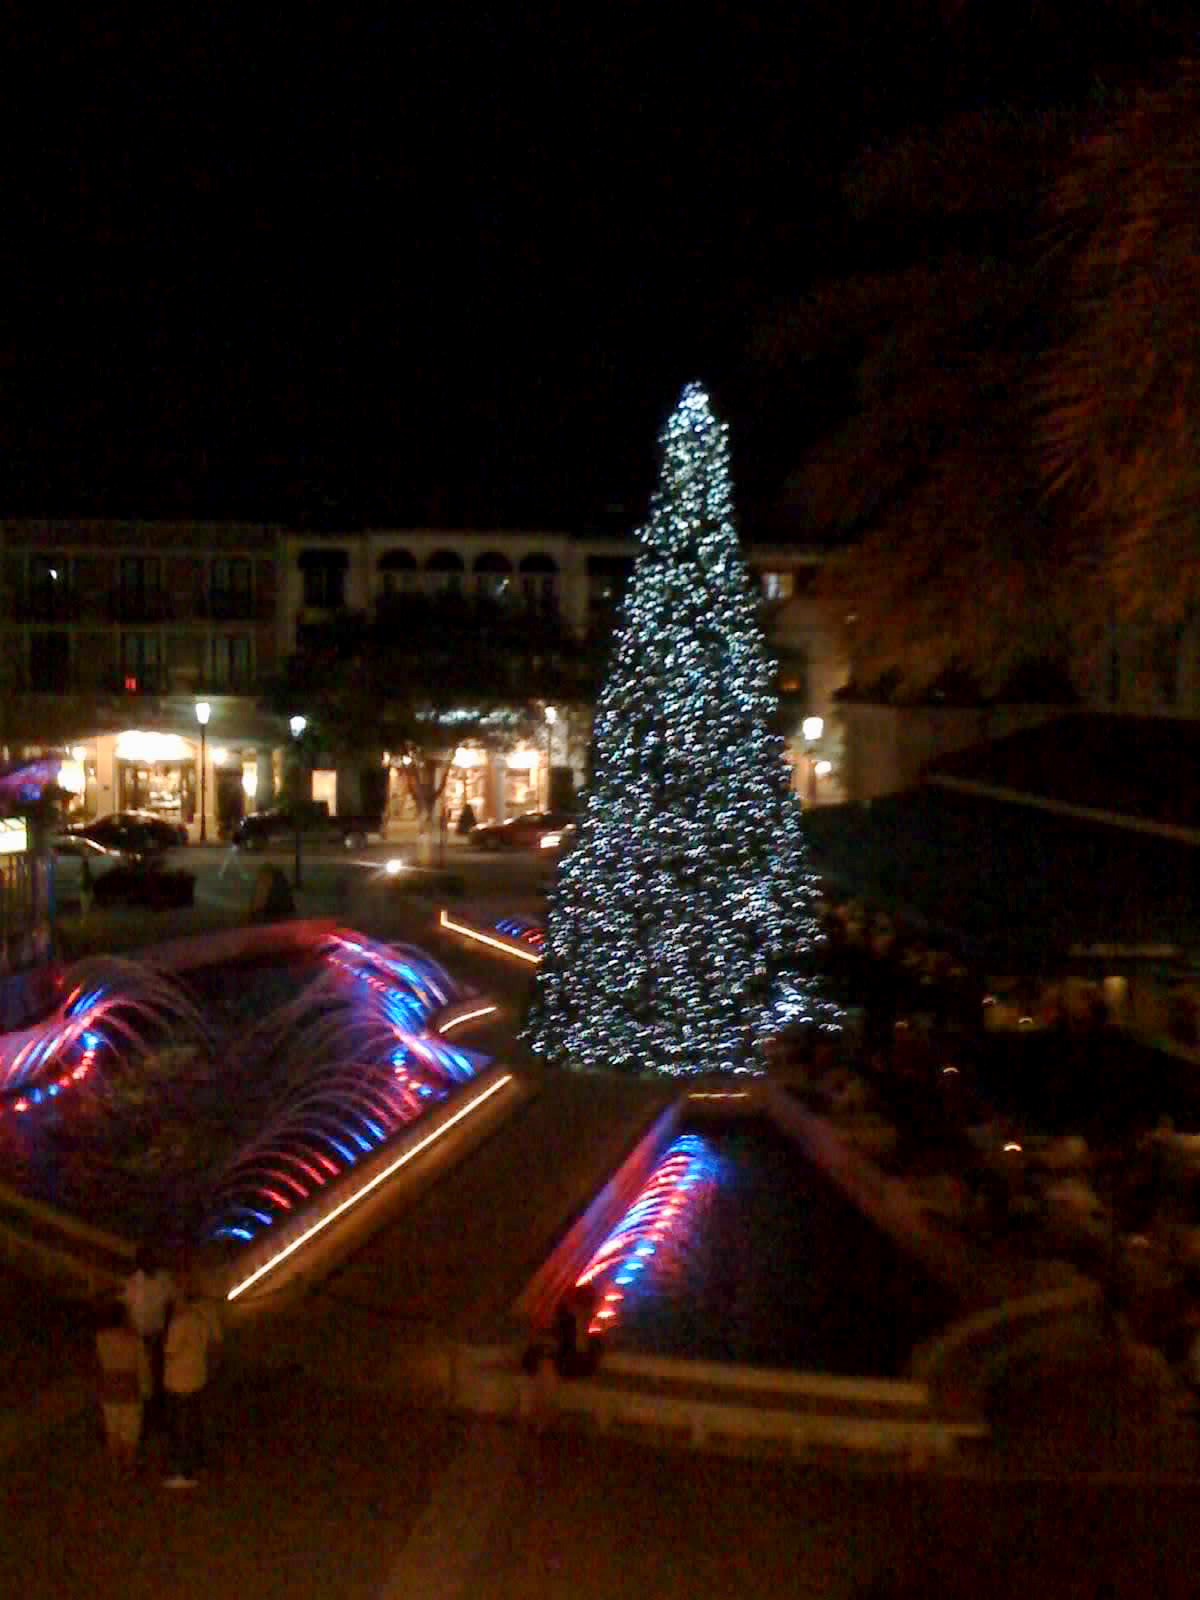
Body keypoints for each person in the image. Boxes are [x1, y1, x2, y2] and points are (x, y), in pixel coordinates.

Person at [162, 1268, 223, 1489]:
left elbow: (170, 1350)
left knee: (180, 1426)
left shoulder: (180, 1321)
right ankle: (200, 1463)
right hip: (198, 1375)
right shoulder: (204, 1315)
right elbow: (213, 1342)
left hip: (178, 1380)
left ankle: (182, 1471)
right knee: (196, 1422)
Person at [122, 1245, 175, 1431]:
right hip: (140, 1338)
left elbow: (170, 1305)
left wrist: (167, 1333)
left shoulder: (163, 1279)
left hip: (159, 1336)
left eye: (150, 1260)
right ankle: (146, 1420)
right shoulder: (132, 1283)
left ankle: (160, 1417)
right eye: (144, 1261)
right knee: (143, 1381)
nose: (148, 1264)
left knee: (160, 1378)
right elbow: (127, 1310)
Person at [96, 1306, 147, 1470]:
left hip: (109, 1386)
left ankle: (115, 1465)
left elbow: (100, 1362)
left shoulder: (101, 1338)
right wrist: (146, 1388)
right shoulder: (133, 1339)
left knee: (113, 1429)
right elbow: (142, 1366)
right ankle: (129, 1465)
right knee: (130, 1431)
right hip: (130, 1387)